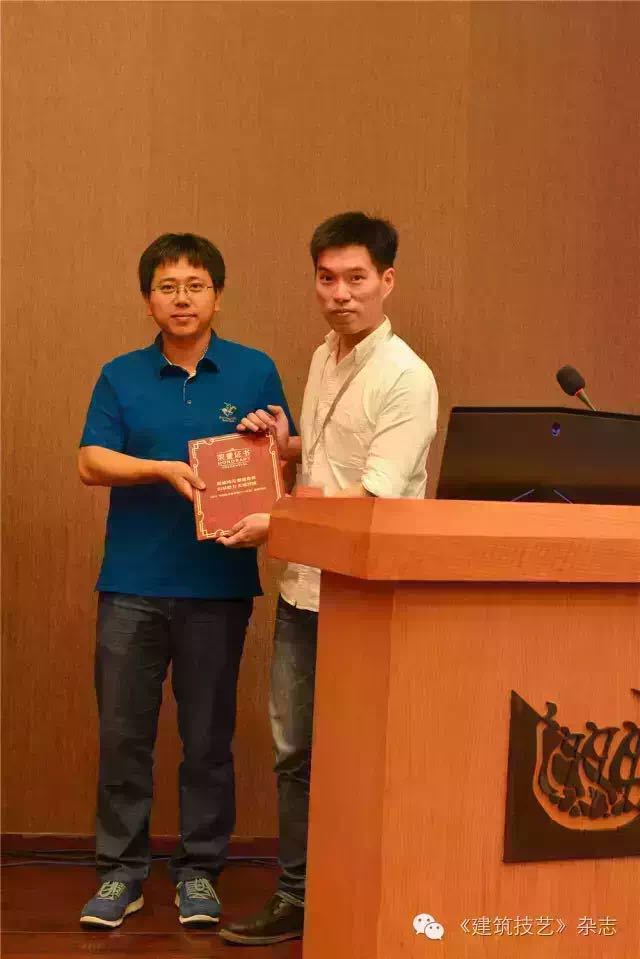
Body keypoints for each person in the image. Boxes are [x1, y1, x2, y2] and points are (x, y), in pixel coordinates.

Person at [217, 211, 438, 945]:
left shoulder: (406, 377)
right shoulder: (323, 357)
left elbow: (372, 500)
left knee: (361, 757)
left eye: (356, 278)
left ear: (387, 281)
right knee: (294, 754)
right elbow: (329, 459)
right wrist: (283, 446)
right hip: (303, 589)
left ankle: (362, 897)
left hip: (368, 597)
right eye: (326, 278)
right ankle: (297, 896)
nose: (340, 293)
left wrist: (275, 520)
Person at [77, 233, 294, 929]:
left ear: (217, 296)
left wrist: (275, 439)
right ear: (149, 299)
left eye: (195, 285)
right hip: (132, 584)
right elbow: (90, 461)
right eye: (167, 286)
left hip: (218, 585)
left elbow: (286, 460)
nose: (182, 298)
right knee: (123, 735)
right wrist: (161, 469)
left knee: (207, 739)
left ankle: (200, 871)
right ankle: (121, 872)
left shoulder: (254, 370)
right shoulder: (120, 374)